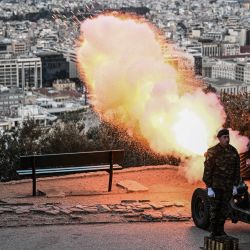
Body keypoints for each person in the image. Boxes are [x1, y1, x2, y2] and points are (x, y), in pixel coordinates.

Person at [203, 128, 240, 237]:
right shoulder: (212, 151)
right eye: (224, 137)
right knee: (215, 209)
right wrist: (209, 187)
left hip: (228, 186)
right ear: (219, 139)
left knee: (224, 210)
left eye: (228, 137)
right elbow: (208, 170)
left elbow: (237, 169)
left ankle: (221, 230)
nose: (227, 139)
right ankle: (214, 232)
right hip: (216, 186)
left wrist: (235, 185)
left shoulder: (233, 151)